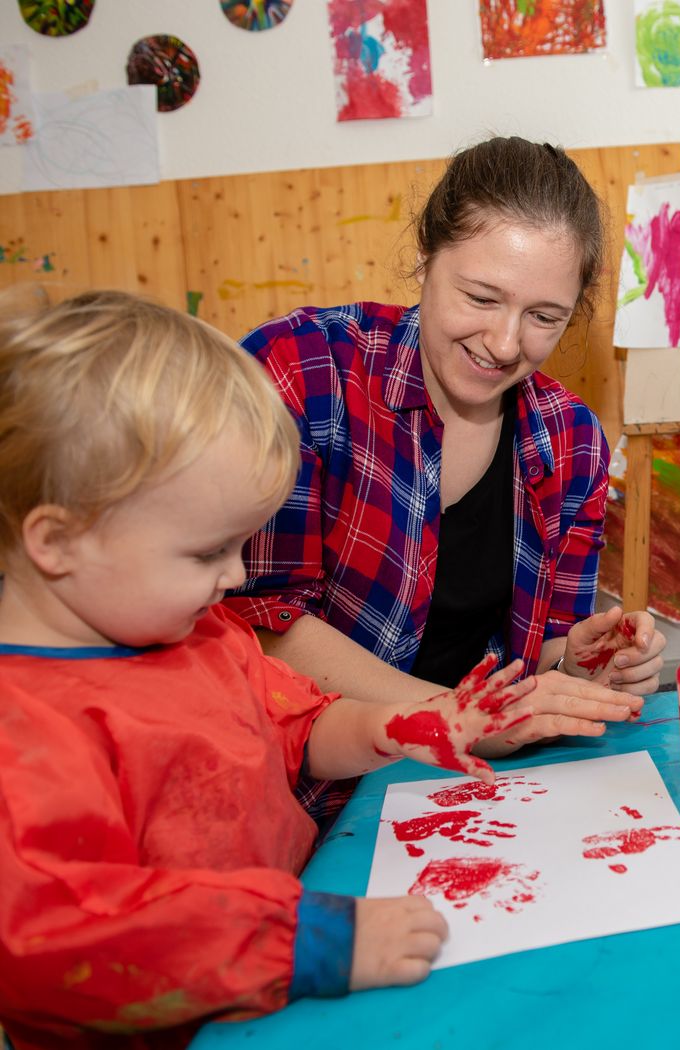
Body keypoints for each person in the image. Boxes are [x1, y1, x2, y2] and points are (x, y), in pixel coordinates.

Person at [0, 290, 534, 1046]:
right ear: (57, 542)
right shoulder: (23, 730)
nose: (237, 575)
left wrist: (392, 726)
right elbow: (78, 939)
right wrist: (312, 943)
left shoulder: (198, 634)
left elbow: (295, 724)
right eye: (206, 552)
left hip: (276, 987)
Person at [228, 138, 666, 811]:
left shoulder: (573, 440)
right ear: (427, 256)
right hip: (299, 795)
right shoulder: (303, 370)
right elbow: (260, 626)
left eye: (544, 317)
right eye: (481, 297)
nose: (503, 342)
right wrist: (471, 721)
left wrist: (578, 666)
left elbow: (541, 648)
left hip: (479, 799)